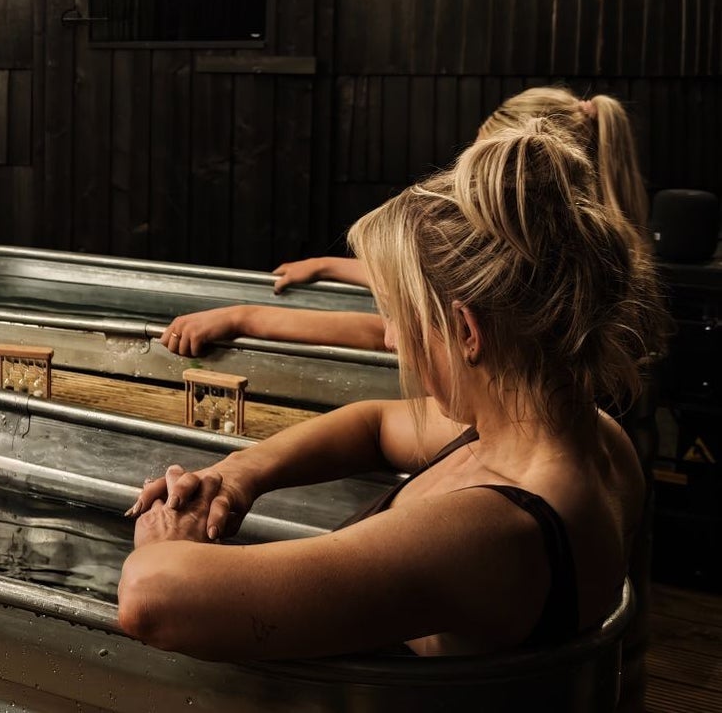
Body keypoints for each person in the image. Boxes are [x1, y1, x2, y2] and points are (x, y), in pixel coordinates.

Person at [117, 122, 665, 659]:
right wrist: (238, 476)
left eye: (402, 315)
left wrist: (171, 536)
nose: (390, 337)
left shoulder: (491, 530)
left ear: (467, 333)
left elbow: (152, 597)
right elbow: (374, 424)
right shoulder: (588, 437)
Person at [159, 87, 649, 358]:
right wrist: (329, 266)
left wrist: (247, 318)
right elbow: (435, 279)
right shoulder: (599, 249)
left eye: (481, 162)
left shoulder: (528, 263)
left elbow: (389, 331)